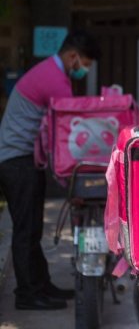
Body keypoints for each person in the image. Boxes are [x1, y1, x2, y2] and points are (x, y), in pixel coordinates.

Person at [0, 30, 101, 310]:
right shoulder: (56, 81)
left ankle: (41, 286)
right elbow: (67, 135)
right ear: (73, 57)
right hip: (16, 160)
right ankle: (27, 295)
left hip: (21, 160)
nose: (86, 70)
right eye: (86, 64)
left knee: (32, 228)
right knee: (26, 230)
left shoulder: (50, 72)